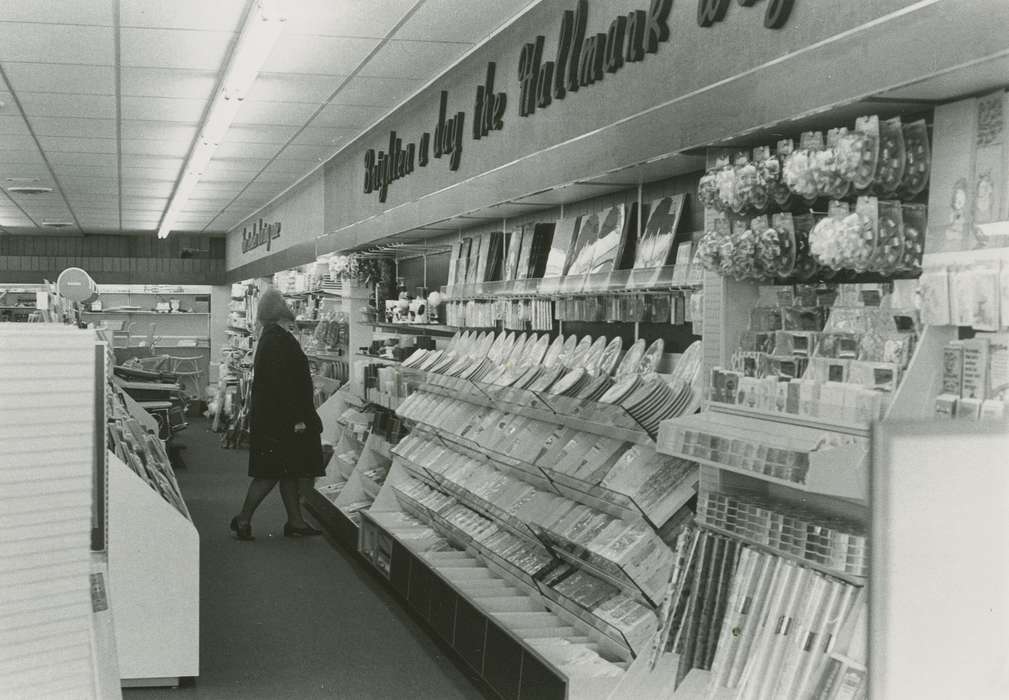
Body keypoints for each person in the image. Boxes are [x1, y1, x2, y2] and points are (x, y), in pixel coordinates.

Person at [230, 287, 324, 540]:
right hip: (281, 421)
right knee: (270, 473)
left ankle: (295, 522)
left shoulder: (271, 337)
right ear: (278, 310)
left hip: (273, 418)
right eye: (283, 302)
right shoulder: (278, 339)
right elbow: (284, 385)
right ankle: (243, 519)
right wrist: (298, 419)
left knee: (287, 470)